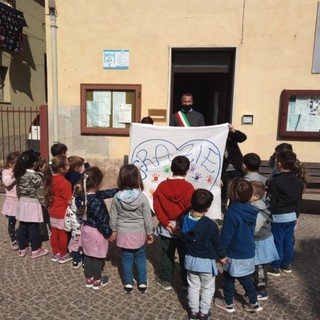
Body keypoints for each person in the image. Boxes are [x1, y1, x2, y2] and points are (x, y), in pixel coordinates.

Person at [214, 178, 263, 313]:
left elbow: (226, 236)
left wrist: (221, 253)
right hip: (248, 251)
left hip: (234, 252)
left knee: (228, 278)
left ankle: (228, 303)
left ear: (231, 194)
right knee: (246, 278)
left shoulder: (232, 212)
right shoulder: (252, 210)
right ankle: (254, 302)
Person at [181, 189, 227, 320]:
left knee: (193, 287)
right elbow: (218, 243)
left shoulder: (184, 219)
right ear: (207, 208)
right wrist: (222, 256)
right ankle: (203, 312)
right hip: (206, 262)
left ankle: (194, 312)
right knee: (207, 288)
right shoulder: (210, 225)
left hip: (190, 260)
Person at [109, 164, 154, 294]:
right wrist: (150, 233)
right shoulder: (142, 197)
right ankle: (142, 283)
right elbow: (147, 218)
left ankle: (128, 283)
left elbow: (113, 216)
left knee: (126, 258)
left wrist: (113, 231)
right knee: (140, 258)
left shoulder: (117, 197)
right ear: (137, 179)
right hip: (139, 233)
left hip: (123, 233)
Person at [153, 155, 195, 291]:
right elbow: (190, 209)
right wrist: (180, 225)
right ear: (187, 170)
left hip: (167, 228)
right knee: (185, 255)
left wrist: (166, 223)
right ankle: (185, 281)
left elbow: (157, 207)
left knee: (167, 253)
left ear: (171, 168)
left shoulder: (162, 186)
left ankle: (165, 279)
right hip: (183, 228)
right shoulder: (189, 188)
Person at [75, 167, 118, 290]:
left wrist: (117, 191)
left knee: (88, 254)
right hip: (96, 231)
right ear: (97, 183)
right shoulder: (96, 201)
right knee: (97, 256)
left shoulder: (81, 195)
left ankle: (89, 278)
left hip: (86, 229)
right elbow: (102, 220)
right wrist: (109, 234)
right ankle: (97, 280)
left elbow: (103, 194)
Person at [266, 151, 303, 276]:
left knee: (277, 241)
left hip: (278, 217)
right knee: (288, 241)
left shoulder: (276, 181)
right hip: (291, 216)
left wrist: (268, 214)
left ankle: (275, 266)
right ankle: (287, 264)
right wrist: (296, 215)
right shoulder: (297, 181)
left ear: (279, 163)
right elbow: (298, 201)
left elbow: (272, 200)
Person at [14, 150, 48, 258]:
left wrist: (20, 199)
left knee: (22, 226)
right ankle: (35, 250)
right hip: (33, 203)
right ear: (35, 164)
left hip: (22, 202)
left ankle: (22, 249)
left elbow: (18, 190)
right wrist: (44, 203)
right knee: (33, 227)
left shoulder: (20, 174)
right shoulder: (36, 177)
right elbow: (40, 192)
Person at [250, 181, 279, 301]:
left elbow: (255, 229)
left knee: (261, 269)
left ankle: (261, 291)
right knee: (257, 267)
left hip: (262, 244)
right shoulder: (254, 206)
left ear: (256, 196)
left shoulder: (260, 211)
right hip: (258, 242)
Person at [44, 155, 73, 264]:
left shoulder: (49, 179)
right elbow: (68, 200)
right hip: (62, 212)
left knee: (54, 233)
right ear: (62, 169)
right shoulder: (65, 183)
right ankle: (63, 254)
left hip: (52, 211)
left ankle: (55, 254)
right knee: (62, 234)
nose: (68, 166)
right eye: (67, 165)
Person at [221, 124, 247, 202]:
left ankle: (235, 202)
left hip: (235, 165)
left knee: (238, 184)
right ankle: (223, 202)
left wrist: (233, 130)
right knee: (222, 183)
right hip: (224, 166)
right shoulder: (216, 140)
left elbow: (243, 138)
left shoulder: (230, 136)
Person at [1, 151, 20, 250]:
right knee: (12, 222)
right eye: (17, 164)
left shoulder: (19, 172)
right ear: (10, 163)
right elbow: (7, 183)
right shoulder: (6, 172)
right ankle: (13, 240)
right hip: (11, 201)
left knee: (23, 221)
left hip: (20, 200)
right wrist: (16, 175)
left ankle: (22, 237)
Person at [64, 185, 83, 268]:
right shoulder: (83, 206)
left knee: (74, 246)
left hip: (75, 232)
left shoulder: (70, 207)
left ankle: (76, 261)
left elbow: (67, 218)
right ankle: (84, 263)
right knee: (84, 247)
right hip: (84, 232)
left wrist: (67, 228)